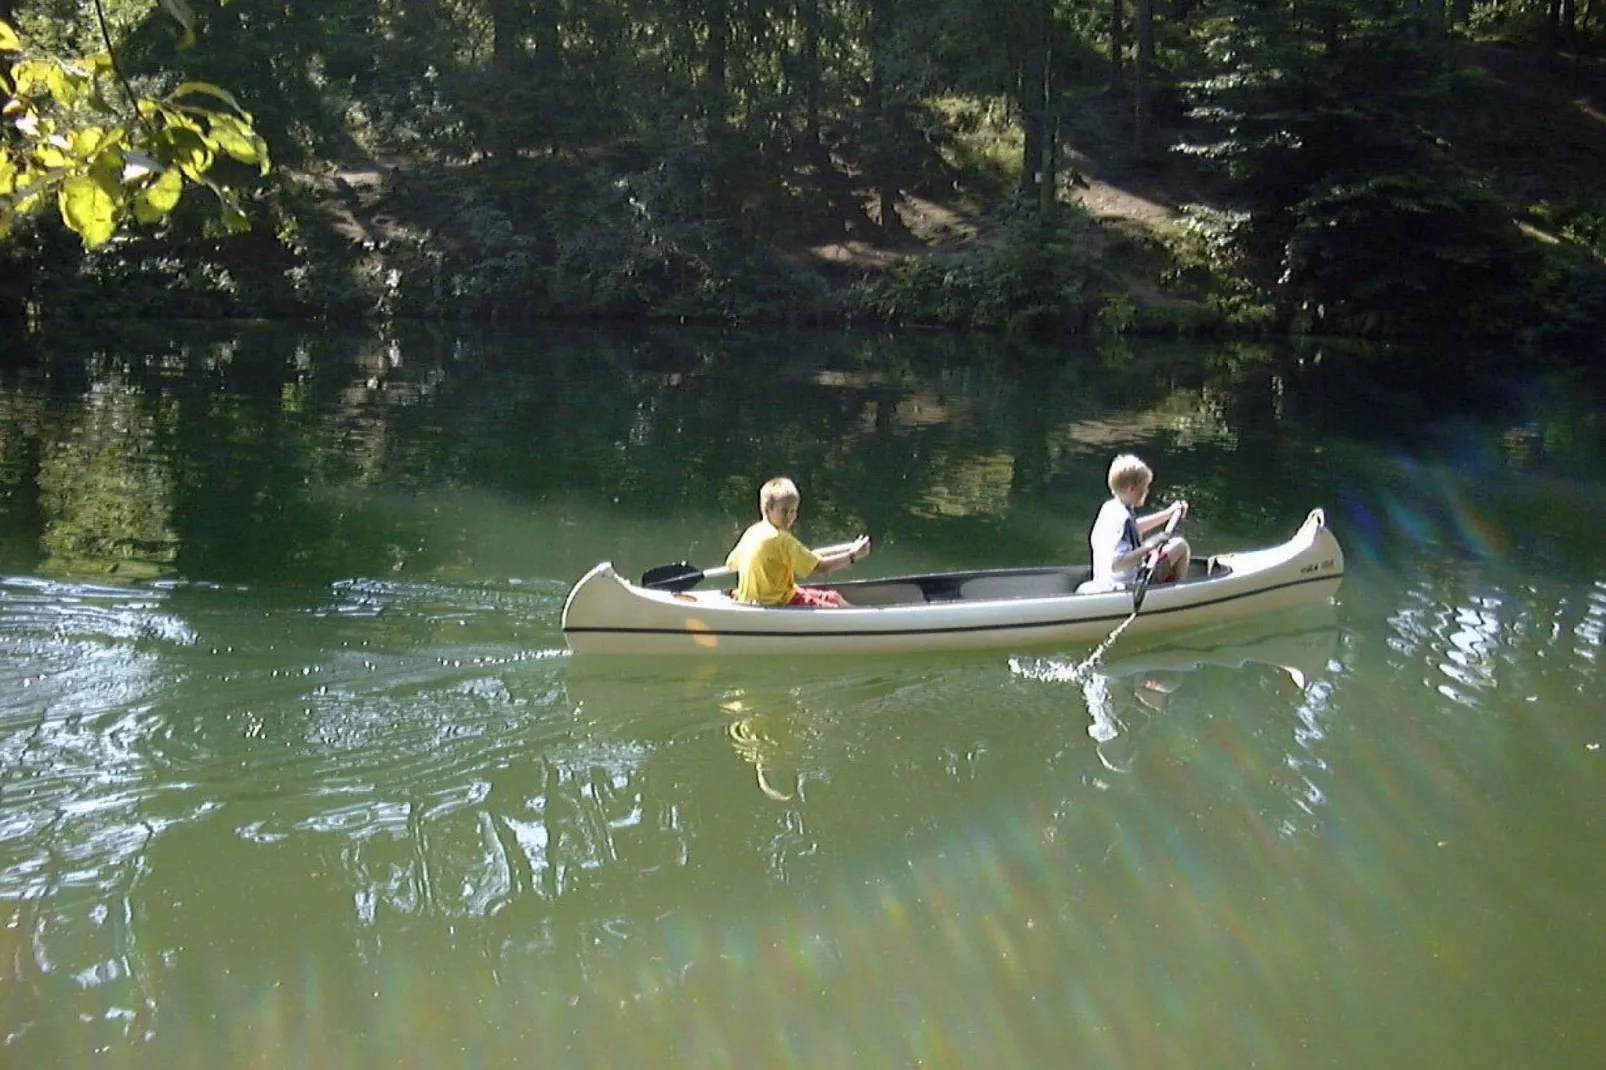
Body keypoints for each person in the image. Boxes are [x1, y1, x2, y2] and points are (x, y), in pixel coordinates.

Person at [726, 477, 871, 608]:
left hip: (748, 600)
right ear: (767, 509)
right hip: (778, 603)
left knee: (833, 597)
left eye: (793, 511)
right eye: (784, 511)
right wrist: (853, 555)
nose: (789, 517)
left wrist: (849, 548)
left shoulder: (752, 532)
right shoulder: (780, 539)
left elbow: (731, 564)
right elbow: (821, 567)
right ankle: (867, 625)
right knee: (835, 604)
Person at [1082, 454, 1190, 594]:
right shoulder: (1123, 518)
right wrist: (1149, 546)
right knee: (1180, 545)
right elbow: (1116, 564)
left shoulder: (1111, 508)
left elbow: (1134, 528)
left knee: (1170, 547)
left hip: (1104, 580)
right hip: (1126, 587)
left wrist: (1167, 514)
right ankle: (1176, 597)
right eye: (1144, 487)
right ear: (1131, 488)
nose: (1146, 491)